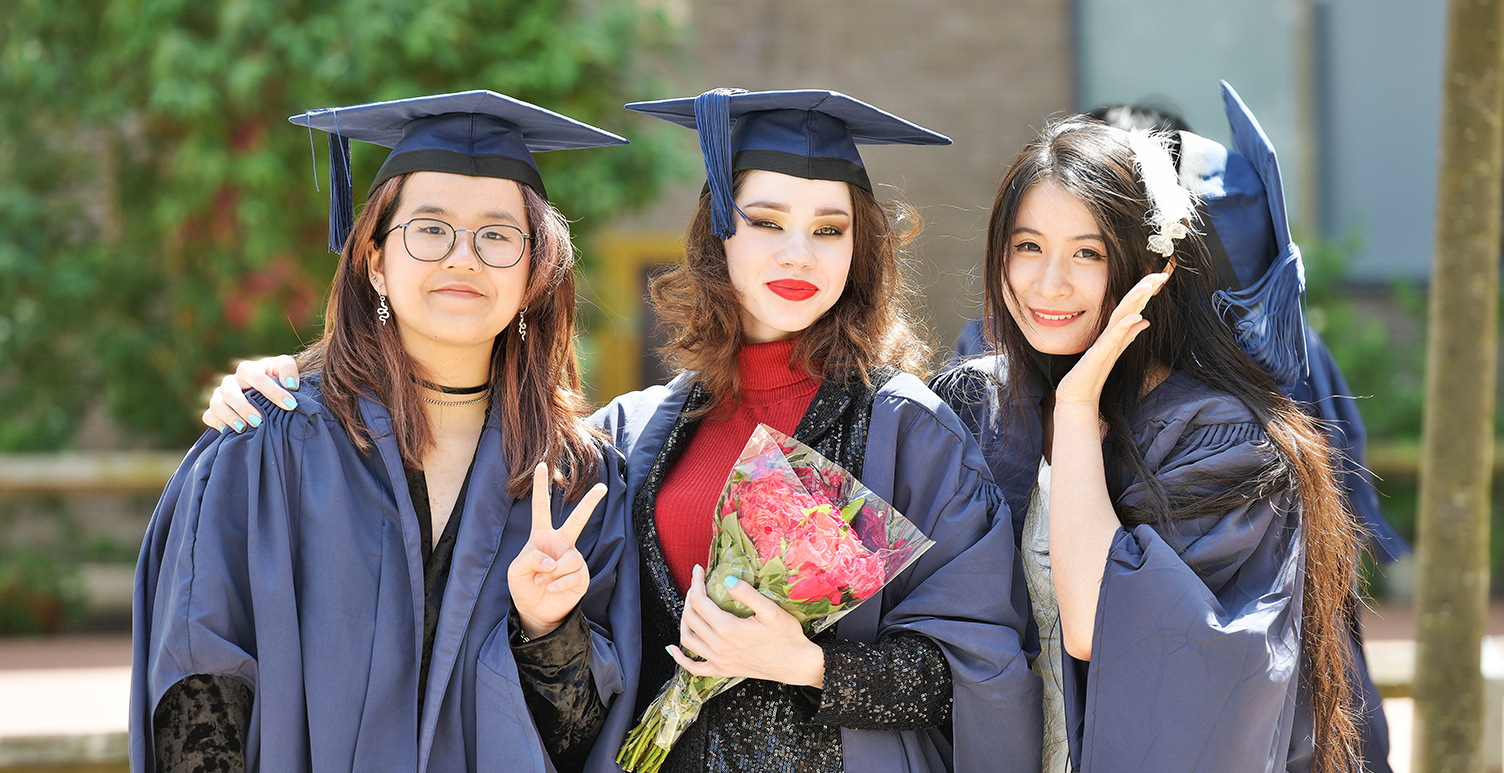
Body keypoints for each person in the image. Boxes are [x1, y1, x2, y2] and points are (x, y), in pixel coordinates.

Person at [203, 87, 1044, 773]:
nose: (800, 253)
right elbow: (581, 690)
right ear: (718, 230)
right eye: (767, 220)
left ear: (861, 252)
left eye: (831, 230)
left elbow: (983, 671)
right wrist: (298, 377)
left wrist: (813, 663)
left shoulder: (906, 429)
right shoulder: (637, 432)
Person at [132, 91, 639, 773]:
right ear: (374, 259)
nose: (464, 257)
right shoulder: (267, 444)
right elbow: (199, 683)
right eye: (429, 228)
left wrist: (547, 631)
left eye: (497, 235)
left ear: (534, 273)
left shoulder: (579, 479)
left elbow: (589, 741)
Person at [931, 88, 1364, 772]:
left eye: (1088, 254)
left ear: (1145, 267)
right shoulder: (973, 405)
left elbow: (1099, 628)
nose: (1049, 283)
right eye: (1028, 247)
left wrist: (1076, 413)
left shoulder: (1222, 437)